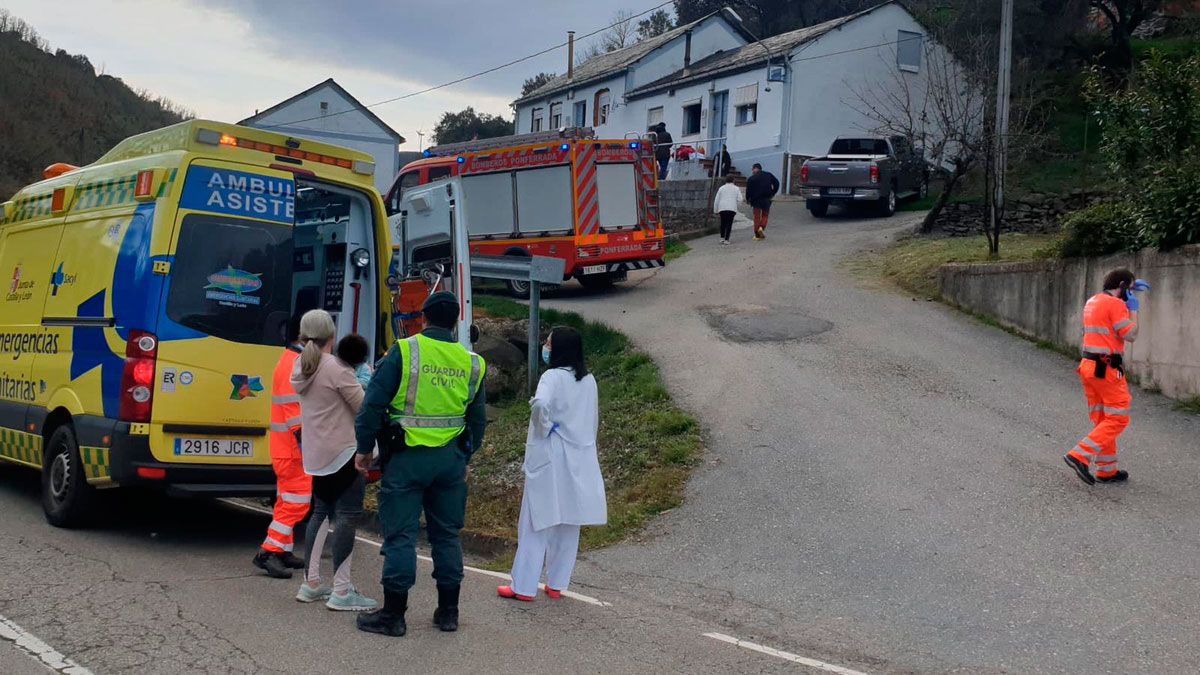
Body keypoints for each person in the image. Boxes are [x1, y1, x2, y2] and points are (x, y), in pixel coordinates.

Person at [354, 291, 487, 637]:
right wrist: (465, 457)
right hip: (450, 463)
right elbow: (478, 420)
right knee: (446, 535)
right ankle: (448, 613)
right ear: (456, 321)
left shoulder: (406, 350)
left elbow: (372, 406)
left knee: (401, 535)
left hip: (407, 459)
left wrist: (364, 449)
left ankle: (394, 615)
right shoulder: (472, 361)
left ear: (424, 319)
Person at [497, 327, 606, 602]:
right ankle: (557, 583)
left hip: (551, 456)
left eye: (548, 342)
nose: (545, 346)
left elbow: (539, 405)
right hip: (580, 456)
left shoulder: (551, 377)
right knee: (569, 521)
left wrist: (545, 427)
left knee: (536, 521)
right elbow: (592, 419)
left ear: (558, 349)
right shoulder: (588, 380)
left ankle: (523, 586)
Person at [291, 310, 377, 611]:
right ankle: (341, 590)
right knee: (347, 516)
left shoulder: (301, 365)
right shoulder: (337, 368)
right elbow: (365, 409)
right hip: (344, 453)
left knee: (319, 514)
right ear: (332, 334)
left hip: (316, 454)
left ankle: (311, 583)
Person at [1063, 270, 1152, 485]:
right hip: (1106, 369)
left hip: (1089, 366)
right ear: (1121, 285)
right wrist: (1134, 310)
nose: (1130, 294)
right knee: (1118, 417)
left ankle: (1107, 469)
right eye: (1129, 289)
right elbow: (1130, 335)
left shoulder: (1093, 301)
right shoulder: (1117, 305)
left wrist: (1127, 292)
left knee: (1103, 419)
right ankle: (1079, 455)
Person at [253, 315, 310, 579]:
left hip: (285, 446)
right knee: (297, 503)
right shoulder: (296, 362)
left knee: (287, 500)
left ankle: (282, 549)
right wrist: (304, 439)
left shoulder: (288, 358)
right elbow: (293, 406)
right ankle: (269, 551)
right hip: (292, 448)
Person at [745, 163, 780, 241]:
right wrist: (773, 192)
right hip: (767, 199)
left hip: (756, 200)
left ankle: (757, 235)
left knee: (757, 217)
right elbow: (777, 183)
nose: (752, 171)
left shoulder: (751, 178)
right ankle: (761, 228)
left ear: (755, 168)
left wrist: (748, 199)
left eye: (752, 169)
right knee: (765, 215)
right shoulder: (768, 175)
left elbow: (748, 191)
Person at [713, 175, 742, 245]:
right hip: (731, 208)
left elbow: (716, 200)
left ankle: (721, 238)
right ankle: (727, 239)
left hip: (722, 208)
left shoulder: (721, 188)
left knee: (723, 223)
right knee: (729, 223)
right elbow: (740, 199)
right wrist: (736, 206)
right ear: (733, 180)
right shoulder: (736, 188)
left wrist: (715, 210)